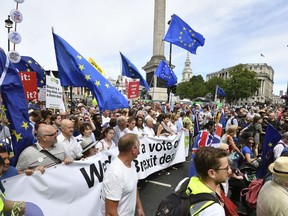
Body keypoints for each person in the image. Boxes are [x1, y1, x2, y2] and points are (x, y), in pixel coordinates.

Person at [102, 133, 145, 216]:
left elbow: (133, 186)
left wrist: (139, 207)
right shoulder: (115, 174)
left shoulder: (131, 164)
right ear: (133, 149)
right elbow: (110, 213)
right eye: (139, 147)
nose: (140, 150)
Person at [186, 147, 230, 215]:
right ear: (212, 173)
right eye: (226, 168)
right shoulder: (215, 210)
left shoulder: (185, 182)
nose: (229, 171)